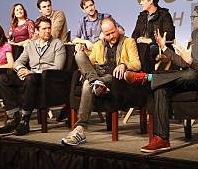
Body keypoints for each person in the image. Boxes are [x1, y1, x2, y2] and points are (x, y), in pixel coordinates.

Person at [124, 4, 198, 152]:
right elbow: (183, 62)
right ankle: (162, 139)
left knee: (191, 73)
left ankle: (147, 78)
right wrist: (165, 48)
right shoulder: (197, 37)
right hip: (189, 79)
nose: (192, 20)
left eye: (194, 17)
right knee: (161, 87)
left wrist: (192, 62)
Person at [60, 17, 141, 146]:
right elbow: (90, 63)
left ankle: (80, 128)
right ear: (103, 34)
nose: (112, 36)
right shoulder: (99, 44)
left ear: (117, 28)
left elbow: (137, 64)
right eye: (108, 34)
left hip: (114, 77)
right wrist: (82, 51)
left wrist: (124, 64)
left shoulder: (128, 42)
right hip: (99, 74)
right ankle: (96, 83)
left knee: (87, 83)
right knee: (79, 56)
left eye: (113, 32)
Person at [0, 16, 66, 136]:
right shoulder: (31, 45)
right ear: (37, 31)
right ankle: (14, 118)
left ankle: (24, 121)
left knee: (31, 78)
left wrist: (33, 72)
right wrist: (21, 70)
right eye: (44, 29)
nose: (47, 31)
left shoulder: (58, 44)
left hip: (46, 80)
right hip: (29, 78)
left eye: (49, 28)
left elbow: (58, 67)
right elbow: (18, 62)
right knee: (2, 79)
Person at [131, 0, 175, 71]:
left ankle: (148, 77)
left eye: (142, 0)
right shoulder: (142, 16)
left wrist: (150, 40)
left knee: (149, 48)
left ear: (150, 1)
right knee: (130, 46)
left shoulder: (164, 15)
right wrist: (137, 39)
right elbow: (135, 34)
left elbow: (170, 34)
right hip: (141, 45)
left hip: (158, 46)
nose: (140, 3)